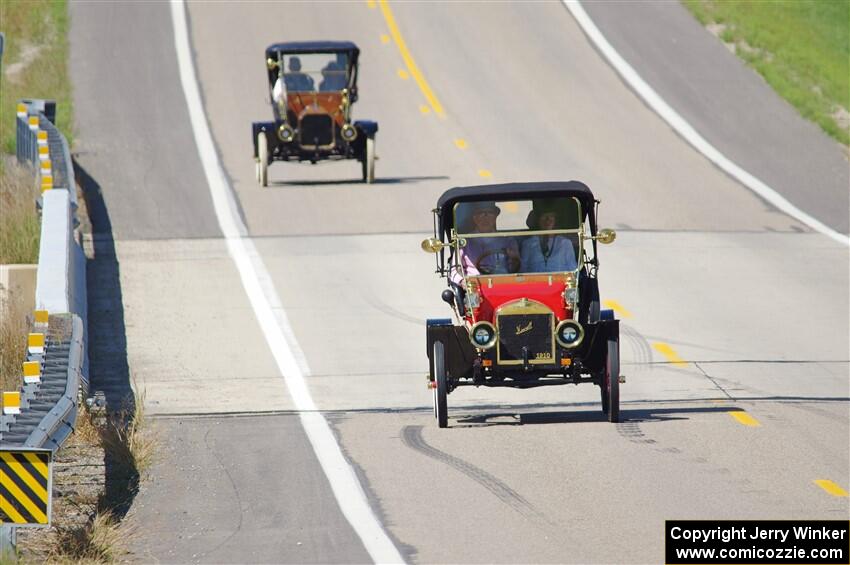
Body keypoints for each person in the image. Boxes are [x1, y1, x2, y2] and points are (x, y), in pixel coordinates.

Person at [453, 201, 519, 281]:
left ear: (495, 218)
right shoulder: (464, 242)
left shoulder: (507, 240)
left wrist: (514, 258)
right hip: (474, 284)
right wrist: (463, 282)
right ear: (475, 218)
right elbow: (455, 270)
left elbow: (517, 269)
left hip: (502, 282)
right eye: (480, 213)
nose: (485, 218)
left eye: (489, 213)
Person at [520, 203, 578, 273]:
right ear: (538, 220)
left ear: (556, 220)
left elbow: (573, 270)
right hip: (535, 282)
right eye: (544, 216)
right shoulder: (528, 244)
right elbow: (523, 270)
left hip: (560, 282)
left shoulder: (565, 243)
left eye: (551, 216)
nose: (548, 220)